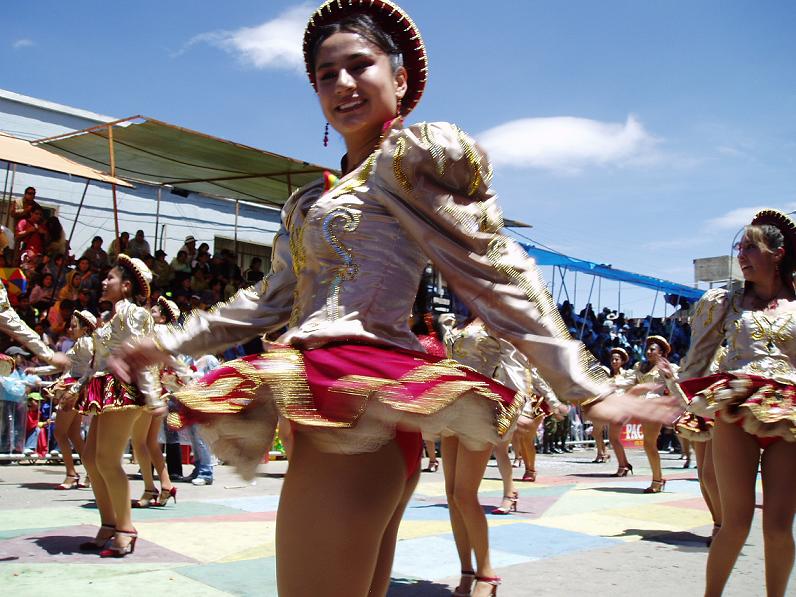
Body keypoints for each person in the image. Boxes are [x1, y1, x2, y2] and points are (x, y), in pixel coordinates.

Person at [111, 3, 678, 595]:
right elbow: (271, 298)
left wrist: (586, 388)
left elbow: (494, 268)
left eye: (360, 65)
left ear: (400, 78)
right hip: (335, 403)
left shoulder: (408, 161)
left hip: (360, 403)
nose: (343, 84)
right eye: (326, 75)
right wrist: (167, 341)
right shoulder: (311, 200)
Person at [672, 209, 796, 597]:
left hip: (789, 414)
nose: (742, 255)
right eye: (739, 248)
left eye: (751, 248)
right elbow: (696, 362)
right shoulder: (725, 301)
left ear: (777, 254)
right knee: (735, 523)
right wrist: (688, 400)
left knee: (777, 526)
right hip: (736, 408)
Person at [73, 255, 162, 558]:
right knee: (90, 456)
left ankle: (125, 528)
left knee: (107, 459)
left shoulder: (135, 314)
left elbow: (144, 353)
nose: (103, 282)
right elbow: (95, 363)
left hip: (123, 390)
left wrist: (151, 394)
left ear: (126, 286)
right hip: (103, 388)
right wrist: (72, 387)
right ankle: (108, 523)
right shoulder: (108, 318)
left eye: (110, 278)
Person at [28, 310, 96, 489]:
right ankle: (91, 472)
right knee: (73, 434)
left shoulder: (86, 343)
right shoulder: (78, 344)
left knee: (59, 433)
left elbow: (91, 369)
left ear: (85, 327)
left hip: (72, 393)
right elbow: (62, 367)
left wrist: (75, 389)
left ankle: (71, 474)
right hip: (73, 390)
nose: (71, 329)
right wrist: (37, 371)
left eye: (75, 326)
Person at [130, 297, 184, 507]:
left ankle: (148, 489)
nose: (149, 314)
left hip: (149, 392)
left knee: (140, 442)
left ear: (162, 317)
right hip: (157, 390)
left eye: (153, 312)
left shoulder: (158, 332)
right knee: (150, 443)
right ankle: (166, 485)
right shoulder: (167, 334)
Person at [625, 336, 678, 493]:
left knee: (649, 443)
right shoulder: (640, 366)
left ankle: (658, 480)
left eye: (652, 349)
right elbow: (627, 381)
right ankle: (658, 478)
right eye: (647, 349)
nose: (648, 352)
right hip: (643, 407)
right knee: (649, 444)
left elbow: (675, 385)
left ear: (661, 352)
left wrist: (669, 376)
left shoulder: (667, 368)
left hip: (657, 406)